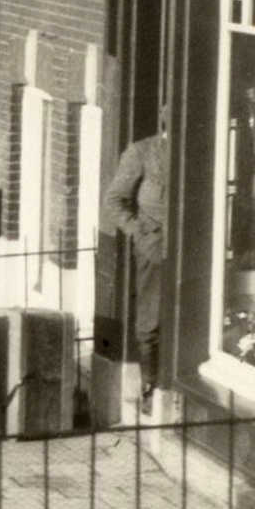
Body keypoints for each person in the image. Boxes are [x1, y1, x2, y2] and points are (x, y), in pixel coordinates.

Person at [100, 119, 170, 404]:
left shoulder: (197, 151)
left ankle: (172, 387)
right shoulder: (142, 151)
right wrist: (139, 231)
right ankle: (150, 387)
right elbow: (114, 199)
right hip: (153, 246)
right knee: (150, 319)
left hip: (192, 249)